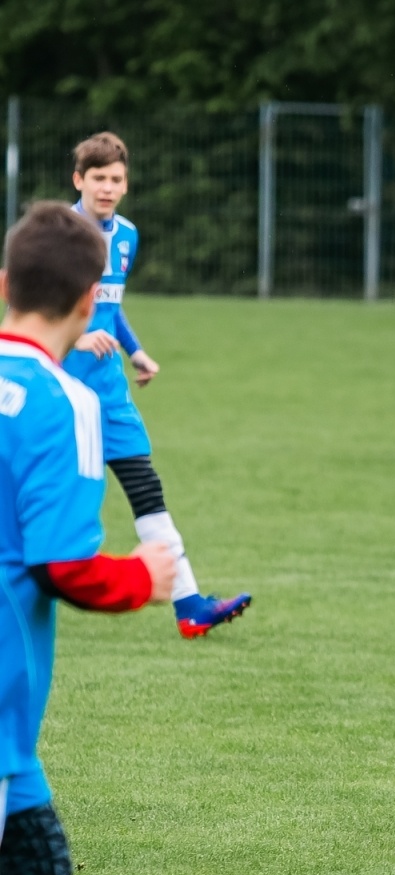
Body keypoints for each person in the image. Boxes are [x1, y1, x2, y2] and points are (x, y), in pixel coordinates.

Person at [0, 201, 176, 875]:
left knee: (40, 864)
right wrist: (146, 575)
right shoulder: (62, 400)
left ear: (6, 283)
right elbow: (66, 567)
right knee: (37, 868)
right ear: (87, 301)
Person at [60, 132, 251, 639]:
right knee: (43, 499)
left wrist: (135, 349)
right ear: (79, 180)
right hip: (57, 392)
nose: (107, 187)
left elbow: (110, 305)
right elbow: (27, 309)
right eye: (97, 178)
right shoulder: (57, 233)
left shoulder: (126, 235)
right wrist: (76, 338)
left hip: (109, 394)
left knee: (147, 489)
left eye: (116, 179)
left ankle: (190, 604)